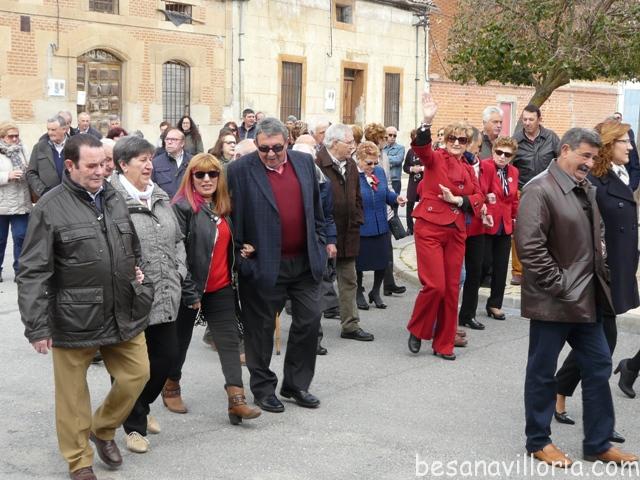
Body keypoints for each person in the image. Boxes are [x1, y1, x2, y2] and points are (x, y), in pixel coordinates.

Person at [17, 134, 153, 480]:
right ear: (70, 165)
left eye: (103, 164)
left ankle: (103, 428)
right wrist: (37, 326)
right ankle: (79, 460)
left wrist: (135, 268)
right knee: (73, 396)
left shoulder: (113, 196)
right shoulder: (49, 207)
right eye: (91, 166)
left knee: (137, 374)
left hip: (121, 308)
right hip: (73, 315)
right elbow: (32, 271)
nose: (99, 172)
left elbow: (130, 243)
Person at [516, 127, 637, 467]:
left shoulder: (585, 188)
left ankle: (598, 443)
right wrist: (562, 287)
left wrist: (604, 272)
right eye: (585, 156)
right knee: (542, 371)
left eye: (594, 158)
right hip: (553, 301)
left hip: (587, 299)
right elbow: (530, 248)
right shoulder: (539, 189)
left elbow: (598, 238)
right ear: (565, 150)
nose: (590, 163)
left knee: (599, 366)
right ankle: (538, 441)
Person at [227, 117, 326, 413]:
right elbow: (228, 214)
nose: (270, 154)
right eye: (264, 148)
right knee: (260, 330)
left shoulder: (304, 164)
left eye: (277, 148)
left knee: (309, 321)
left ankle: (296, 384)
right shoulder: (239, 170)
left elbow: (317, 208)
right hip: (263, 265)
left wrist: (321, 241)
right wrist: (240, 255)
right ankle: (263, 388)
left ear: (288, 142)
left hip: (304, 262)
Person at [161, 153, 262, 424]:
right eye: (200, 174)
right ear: (191, 177)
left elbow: (224, 244)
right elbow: (176, 253)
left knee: (229, 342)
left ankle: (236, 399)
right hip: (189, 288)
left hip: (221, 287)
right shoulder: (182, 208)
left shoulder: (224, 207)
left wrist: (242, 250)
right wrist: (189, 291)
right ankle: (171, 385)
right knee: (179, 342)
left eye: (213, 174)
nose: (207, 179)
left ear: (220, 178)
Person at [553, 120, 638, 443]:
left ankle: (560, 391)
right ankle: (598, 423)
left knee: (598, 343)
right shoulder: (595, 183)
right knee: (603, 346)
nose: (630, 147)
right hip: (600, 274)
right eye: (624, 141)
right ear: (609, 145)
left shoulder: (620, 175)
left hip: (619, 269)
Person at [108, 136, 186, 453]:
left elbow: (178, 239)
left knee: (166, 359)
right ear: (123, 165)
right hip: (130, 297)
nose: (149, 165)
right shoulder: (111, 201)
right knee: (131, 366)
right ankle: (134, 427)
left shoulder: (160, 195)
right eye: (141, 159)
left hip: (165, 291)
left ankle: (139, 405)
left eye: (150, 158)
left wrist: (179, 270)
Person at [406, 93, 484, 360]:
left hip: (456, 231)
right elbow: (421, 148)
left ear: (468, 144)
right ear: (445, 140)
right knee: (435, 286)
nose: (456, 143)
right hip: (430, 226)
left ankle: (444, 344)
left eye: (462, 140)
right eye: (452, 138)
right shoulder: (435, 158)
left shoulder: (469, 168)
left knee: (451, 290)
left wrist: (459, 200)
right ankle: (418, 329)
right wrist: (427, 121)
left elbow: (478, 197)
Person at [316, 124, 374, 341]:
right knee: (316, 283)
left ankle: (350, 325)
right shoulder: (317, 164)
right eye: (349, 142)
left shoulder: (350, 164)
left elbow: (357, 195)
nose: (353, 146)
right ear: (334, 143)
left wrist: (358, 218)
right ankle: (312, 331)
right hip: (323, 233)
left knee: (349, 279)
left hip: (348, 232)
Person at [510, 104, 560, 286]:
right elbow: (509, 167)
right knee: (520, 230)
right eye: (524, 119)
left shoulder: (551, 138)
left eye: (531, 119)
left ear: (539, 119)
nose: (527, 123)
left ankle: (545, 268)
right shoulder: (516, 140)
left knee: (548, 229)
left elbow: (560, 161)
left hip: (548, 190)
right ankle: (518, 271)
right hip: (522, 191)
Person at [355, 141, 406, 309]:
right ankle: (358, 293)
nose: (373, 166)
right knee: (359, 265)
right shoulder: (353, 176)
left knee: (382, 262)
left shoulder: (379, 172)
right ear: (359, 159)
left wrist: (396, 198)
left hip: (381, 226)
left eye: (375, 162)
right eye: (368, 163)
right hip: (362, 228)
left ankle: (375, 292)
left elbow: (386, 194)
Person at [458, 127, 492, 331]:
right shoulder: (458, 164)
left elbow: (487, 191)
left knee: (475, 271)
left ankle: (468, 314)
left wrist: (486, 204)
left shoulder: (484, 166)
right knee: (456, 274)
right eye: (477, 146)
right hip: (459, 225)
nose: (478, 150)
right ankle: (447, 315)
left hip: (478, 225)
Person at [481, 137, 519, 321]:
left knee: (501, 266)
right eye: (499, 152)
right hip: (487, 222)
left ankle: (495, 304)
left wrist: (515, 218)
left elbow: (513, 199)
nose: (502, 157)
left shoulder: (514, 171)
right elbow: (480, 192)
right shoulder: (485, 166)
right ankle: (469, 299)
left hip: (505, 224)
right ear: (493, 151)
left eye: (507, 154)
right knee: (484, 263)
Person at [0, 122, 31, 283]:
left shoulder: (23, 149)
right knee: (0, 240)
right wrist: (7, 175)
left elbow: (31, 168)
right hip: (2, 204)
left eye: (16, 136)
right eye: (10, 136)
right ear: (2, 137)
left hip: (21, 202)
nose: (14, 139)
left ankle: (20, 271)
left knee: (21, 237)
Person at [27, 114, 67, 199]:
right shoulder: (39, 147)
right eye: (48, 129)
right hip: (48, 198)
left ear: (64, 129)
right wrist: (42, 191)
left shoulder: (75, 145)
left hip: (72, 197)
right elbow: (31, 173)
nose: (50, 133)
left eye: (53, 130)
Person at [151, 128, 192, 198]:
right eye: (167, 139)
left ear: (182, 143)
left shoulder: (192, 161)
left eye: (174, 139)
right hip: (165, 203)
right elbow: (151, 187)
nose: (169, 142)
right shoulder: (156, 163)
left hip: (188, 203)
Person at [402, 129, 423, 235]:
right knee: (409, 204)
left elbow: (431, 165)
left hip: (424, 182)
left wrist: (421, 168)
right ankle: (410, 227)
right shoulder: (410, 151)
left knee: (424, 204)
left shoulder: (427, 151)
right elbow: (405, 167)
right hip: (413, 183)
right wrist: (411, 169)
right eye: (414, 138)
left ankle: (423, 227)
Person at [383, 126, 405, 197]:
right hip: (383, 179)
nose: (392, 137)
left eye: (394, 135)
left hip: (395, 180)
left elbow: (398, 160)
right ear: (385, 135)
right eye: (390, 135)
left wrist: (384, 159)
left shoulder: (400, 148)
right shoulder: (382, 148)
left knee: (395, 201)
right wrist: (391, 159)